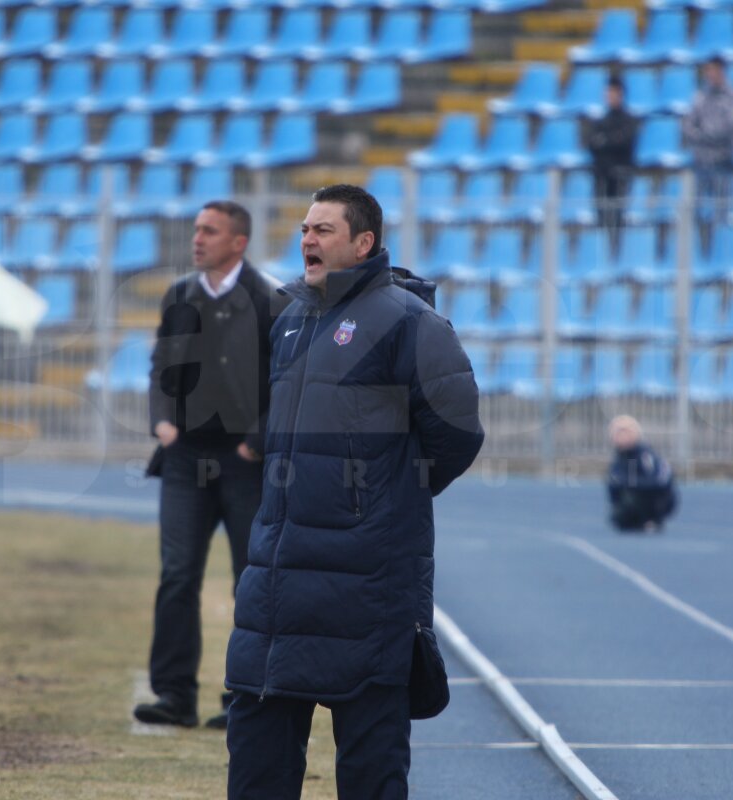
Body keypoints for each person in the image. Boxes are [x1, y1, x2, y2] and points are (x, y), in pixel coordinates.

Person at [225, 184, 484, 799]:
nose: (307, 239)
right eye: (305, 229)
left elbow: (456, 436)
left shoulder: (411, 323)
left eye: (324, 230)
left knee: (372, 777)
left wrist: (378, 501)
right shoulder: (288, 318)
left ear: (364, 243)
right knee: (256, 771)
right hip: (277, 587)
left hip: (368, 589)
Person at [135, 200, 281, 731]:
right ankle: (173, 696)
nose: (197, 239)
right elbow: (159, 369)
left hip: (246, 463)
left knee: (250, 581)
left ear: (238, 242)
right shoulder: (180, 295)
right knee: (177, 577)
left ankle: (242, 697)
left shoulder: (272, 300)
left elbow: (287, 382)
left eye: (209, 231)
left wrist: (256, 443)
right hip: (184, 460)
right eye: (196, 229)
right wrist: (163, 423)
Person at [682, 57, 733, 247]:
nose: (711, 75)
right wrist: (706, 135)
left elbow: (732, 126)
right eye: (707, 71)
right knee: (696, 211)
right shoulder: (699, 97)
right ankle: (700, 253)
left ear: (722, 72)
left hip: (723, 162)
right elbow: (687, 126)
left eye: (714, 70)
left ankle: (721, 252)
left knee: (722, 212)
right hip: (701, 163)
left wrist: (705, 134)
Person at [585, 75, 639, 259]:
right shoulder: (601, 121)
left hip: (620, 179)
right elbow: (591, 144)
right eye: (609, 92)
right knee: (601, 217)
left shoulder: (628, 121)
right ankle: (603, 256)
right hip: (602, 177)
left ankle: (617, 255)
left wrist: (605, 143)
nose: (611, 96)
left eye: (614, 92)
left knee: (617, 217)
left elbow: (623, 143)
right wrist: (609, 143)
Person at [606, 415, 677, 533]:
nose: (621, 437)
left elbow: (659, 482)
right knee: (618, 518)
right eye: (617, 433)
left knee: (631, 496)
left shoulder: (644, 455)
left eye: (625, 432)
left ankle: (650, 518)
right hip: (635, 498)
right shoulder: (620, 458)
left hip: (656, 500)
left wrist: (630, 483)